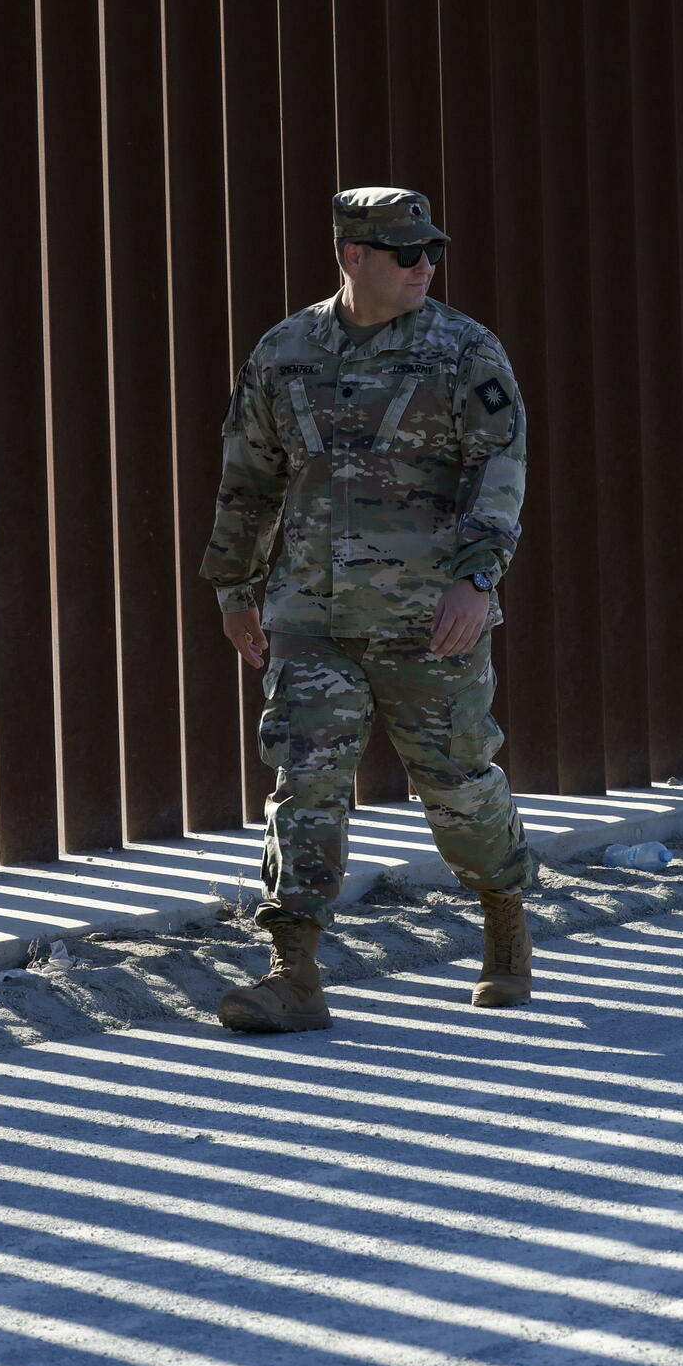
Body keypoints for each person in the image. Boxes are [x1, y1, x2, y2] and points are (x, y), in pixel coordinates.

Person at [199, 186, 537, 1034]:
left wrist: (478, 578)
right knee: (305, 782)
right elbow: (250, 478)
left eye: (432, 253)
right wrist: (237, 589)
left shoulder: (464, 351)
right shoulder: (284, 352)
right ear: (354, 257)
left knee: (456, 784)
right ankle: (294, 971)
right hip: (311, 611)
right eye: (406, 253)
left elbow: (499, 469)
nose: (426, 266)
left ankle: (503, 913)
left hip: (431, 615)